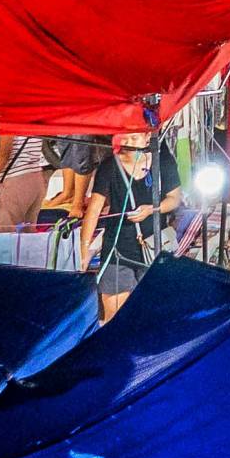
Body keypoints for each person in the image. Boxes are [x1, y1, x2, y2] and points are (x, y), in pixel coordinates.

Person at [85, 132, 180, 320]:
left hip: (154, 248)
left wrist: (152, 209)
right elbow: (93, 210)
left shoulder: (163, 161)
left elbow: (174, 199)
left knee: (149, 314)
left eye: (134, 138)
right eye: (124, 137)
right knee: (115, 316)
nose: (128, 143)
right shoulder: (109, 166)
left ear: (147, 137)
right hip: (116, 251)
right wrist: (84, 250)